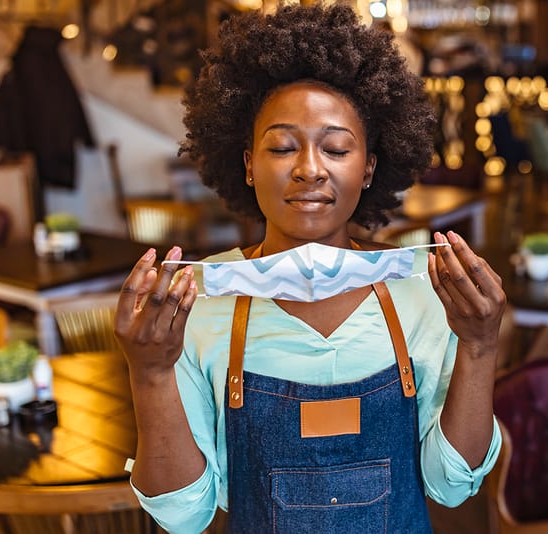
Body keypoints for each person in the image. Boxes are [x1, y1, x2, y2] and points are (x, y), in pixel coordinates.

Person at [114, 4, 506, 533]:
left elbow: (452, 486)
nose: (310, 169)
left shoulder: (422, 293)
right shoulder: (196, 304)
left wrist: (479, 345)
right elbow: (184, 516)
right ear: (249, 163)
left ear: (368, 166)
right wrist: (151, 371)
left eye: (337, 148)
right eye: (281, 146)